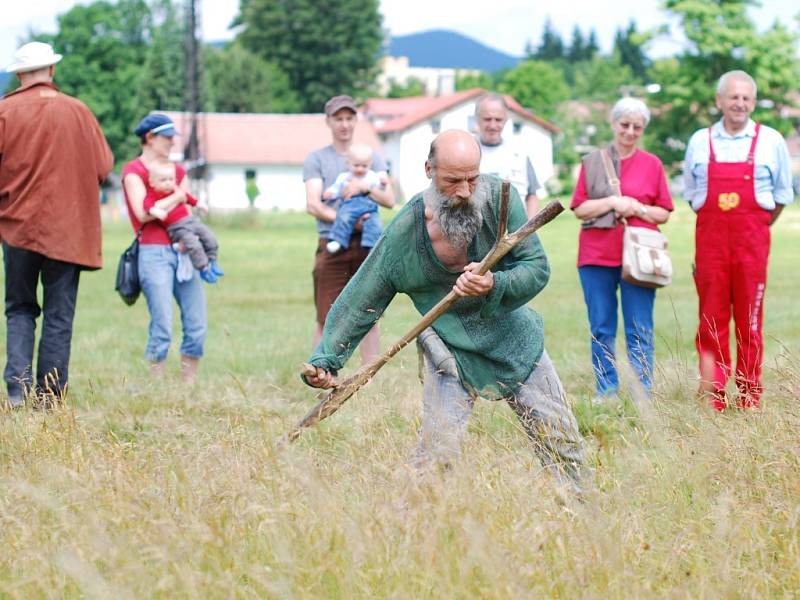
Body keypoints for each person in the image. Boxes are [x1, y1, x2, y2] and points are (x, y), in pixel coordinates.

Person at [304, 130, 587, 494]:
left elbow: (536, 268)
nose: (465, 191)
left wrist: (494, 285)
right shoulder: (404, 233)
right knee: (437, 454)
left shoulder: (502, 200)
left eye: (472, 178)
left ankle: (582, 516)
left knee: (560, 440)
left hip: (513, 337)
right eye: (453, 181)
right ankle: (419, 533)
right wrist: (327, 359)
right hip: (446, 344)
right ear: (429, 170)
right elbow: (361, 297)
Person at [0, 42, 113, 409]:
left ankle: (17, 391)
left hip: (17, 229)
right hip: (68, 232)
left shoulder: (4, 112)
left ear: (19, 75)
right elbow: (103, 167)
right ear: (52, 71)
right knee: (59, 315)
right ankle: (49, 398)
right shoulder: (79, 112)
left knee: (19, 308)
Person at [683, 70, 793, 411]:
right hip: (711, 246)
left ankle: (749, 397)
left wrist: (756, 224)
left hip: (752, 245)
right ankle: (712, 396)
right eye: (733, 97)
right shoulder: (700, 141)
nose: (740, 103)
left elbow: (781, 195)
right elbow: (692, 195)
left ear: (754, 102)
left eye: (746, 98)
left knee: (750, 321)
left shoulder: (771, 141)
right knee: (711, 320)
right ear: (719, 100)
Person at [571, 98, 673, 400]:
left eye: (636, 127)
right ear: (614, 124)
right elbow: (580, 208)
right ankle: (606, 391)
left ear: (643, 129)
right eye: (624, 125)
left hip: (640, 257)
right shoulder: (592, 162)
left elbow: (664, 212)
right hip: (596, 256)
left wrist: (637, 207)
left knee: (639, 326)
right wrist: (613, 203)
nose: (629, 131)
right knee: (601, 327)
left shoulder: (652, 164)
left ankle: (642, 391)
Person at [303, 95, 396, 364]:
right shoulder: (317, 159)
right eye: (338, 119)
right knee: (326, 314)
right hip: (333, 240)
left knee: (369, 311)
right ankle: (319, 371)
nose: (344, 124)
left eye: (349, 118)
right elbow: (313, 204)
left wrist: (365, 188)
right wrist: (344, 220)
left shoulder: (373, 158)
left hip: (368, 243)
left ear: (356, 120)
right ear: (328, 122)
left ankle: (367, 378)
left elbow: (389, 199)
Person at [121, 113, 207, 383]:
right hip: (152, 252)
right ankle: (157, 386)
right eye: (167, 137)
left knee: (197, 323)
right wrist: (178, 196)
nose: (172, 142)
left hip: (184, 249)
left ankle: (187, 385)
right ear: (149, 137)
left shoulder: (177, 171)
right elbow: (143, 213)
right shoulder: (133, 171)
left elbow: (185, 212)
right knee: (162, 326)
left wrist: (177, 201)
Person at [143, 160, 223, 283]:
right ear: (152, 182)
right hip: (177, 228)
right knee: (194, 245)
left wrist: (198, 204)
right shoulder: (153, 195)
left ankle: (212, 261)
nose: (168, 183)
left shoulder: (176, 191)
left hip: (190, 221)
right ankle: (204, 268)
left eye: (171, 179)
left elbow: (187, 197)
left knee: (209, 236)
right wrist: (156, 212)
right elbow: (147, 206)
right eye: (163, 180)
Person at [475, 93, 543, 217]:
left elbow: (532, 195)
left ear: (506, 119)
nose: (493, 125)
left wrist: (528, 229)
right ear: (477, 119)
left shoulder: (519, 152)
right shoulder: (467, 152)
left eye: (498, 119)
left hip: (515, 230)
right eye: (487, 119)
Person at [322, 143, 385, 254]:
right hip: (349, 206)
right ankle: (337, 241)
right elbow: (337, 189)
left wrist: (383, 184)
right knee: (343, 218)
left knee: (374, 223)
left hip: (369, 208)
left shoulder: (372, 176)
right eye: (356, 165)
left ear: (370, 164)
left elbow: (379, 189)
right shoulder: (344, 177)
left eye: (364, 166)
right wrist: (330, 193)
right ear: (348, 163)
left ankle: (372, 246)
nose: (360, 169)